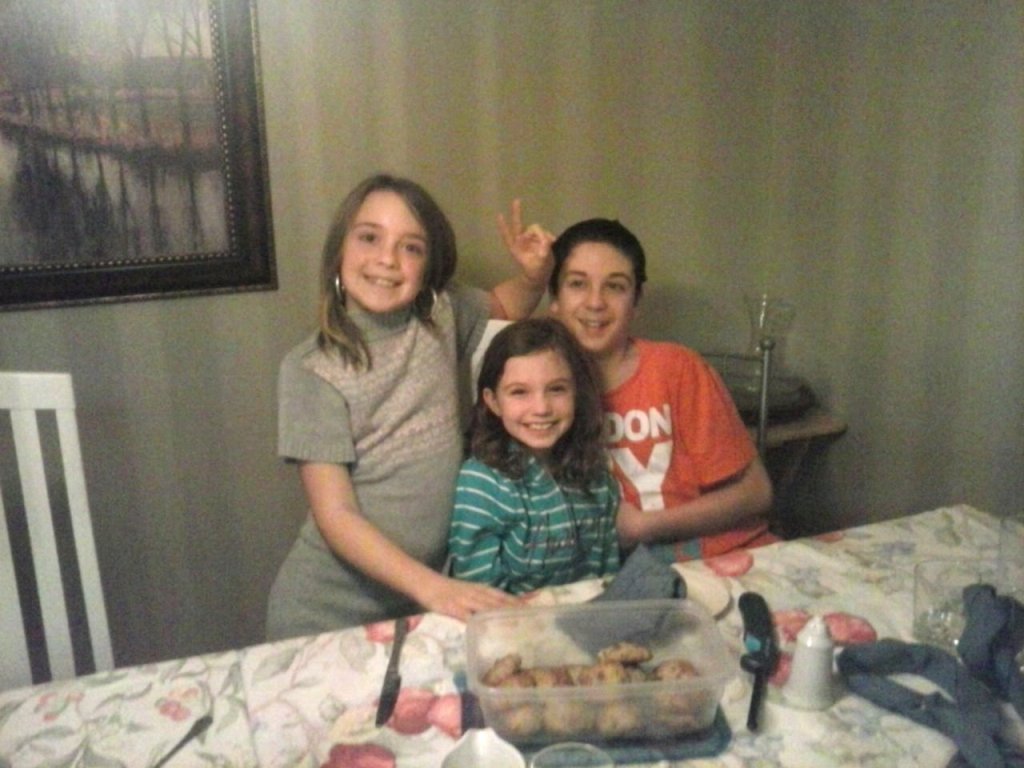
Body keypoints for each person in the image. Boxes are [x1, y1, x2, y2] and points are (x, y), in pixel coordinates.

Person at [266, 174, 554, 640]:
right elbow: (336, 515)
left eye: (411, 247)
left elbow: (507, 304)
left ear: (429, 266)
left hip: (420, 602)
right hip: (328, 613)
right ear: (339, 250)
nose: (387, 259)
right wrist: (434, 588)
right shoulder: (310, 369)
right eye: (369, 237)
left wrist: (534, 276)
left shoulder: (441, 314)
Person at [546, 218, 774, 561]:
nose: (595, 302)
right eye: (578, 284)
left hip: (731, 552)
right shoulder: (539, 391)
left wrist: (643, 527)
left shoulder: (677, 369)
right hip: (628, 574)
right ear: (555, 298)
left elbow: (757, 493)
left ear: (636, 301)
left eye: (615, 286)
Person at [448, 318, 620, 593]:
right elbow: (480, 595)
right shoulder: (481, 484)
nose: (541, 408)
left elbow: (608, 575)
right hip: (513, 617)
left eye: (557, 389)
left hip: (590, 614)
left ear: (576, 393)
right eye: (519, 392)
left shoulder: (595, 471)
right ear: (493, 402)